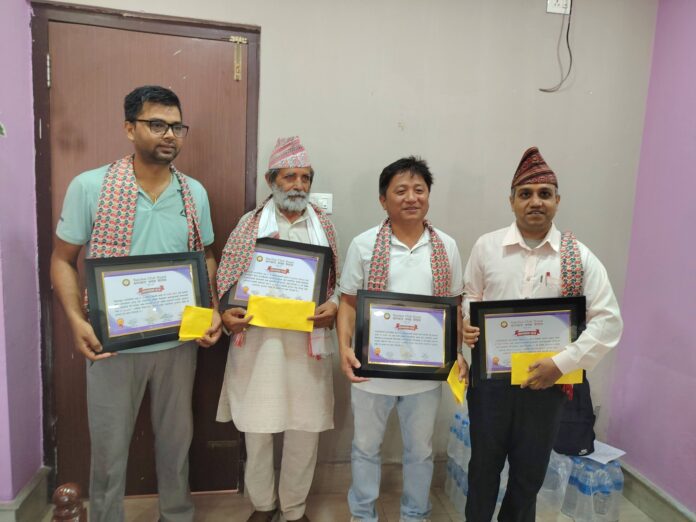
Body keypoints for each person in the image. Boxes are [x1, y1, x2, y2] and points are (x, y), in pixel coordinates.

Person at [50, 85, 222, 522]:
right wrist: (75, 320)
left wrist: (212, 310)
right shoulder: (91, 187)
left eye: (177, 127)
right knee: (109, 450)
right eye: (157, 124)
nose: (170, 135)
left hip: (178, 342)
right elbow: (62, 260)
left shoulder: (193, 193)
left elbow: (205, 256)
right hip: (112, 345)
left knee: (176, 442)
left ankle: (176, 515)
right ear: (129, 128)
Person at [461, 146, 623, 522]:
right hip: (491, 383)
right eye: (526, 193)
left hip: (547, 384)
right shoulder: (487, 247)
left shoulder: (577, 257)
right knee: (483, 468)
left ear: (557, 201)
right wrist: (469, 322)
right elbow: (471, 296)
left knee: (529, 474)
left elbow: (608, 321)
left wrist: (561, 364)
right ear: (512, 201)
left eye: (544, 194)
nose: (535, 202)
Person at [215, 136, 339, 522]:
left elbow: (337, 284)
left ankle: (294, 510)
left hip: (306, 343)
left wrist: (334, 306)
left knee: (304, 429)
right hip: (259, 343)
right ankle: (263, 505)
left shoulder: (324, 227)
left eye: (305, 177)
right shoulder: (248, 226)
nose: (298, 185)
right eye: (289, 177)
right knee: (257, 427)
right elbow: (227, 282)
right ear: (271, 181)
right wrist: (227, 312)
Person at [337, 156, 465, 522]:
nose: (412, 197)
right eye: (401, 190)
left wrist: (457, 353)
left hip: (424, 378)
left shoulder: (446, 247)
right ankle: (363, 515)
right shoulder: (363, 245)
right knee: (365, 448)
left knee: (420, 452)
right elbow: (347, 303)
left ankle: (415, 515)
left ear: (428, 196)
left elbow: (454, 307)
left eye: (419, 190)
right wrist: (344, 349)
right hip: (370, 374)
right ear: (383, 199)